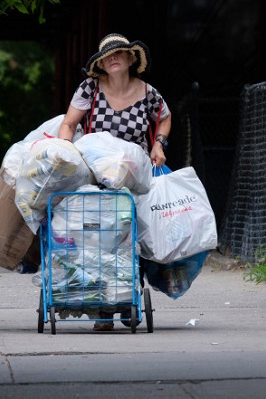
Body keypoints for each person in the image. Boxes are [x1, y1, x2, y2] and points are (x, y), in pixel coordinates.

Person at [58, 33, 172, 331]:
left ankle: (127, 296)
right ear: (101, 64)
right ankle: (105, 307)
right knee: (99, 238)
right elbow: (69, 124)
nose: (114, 58)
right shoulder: (90, 88)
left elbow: (165, 117)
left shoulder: (148, 93)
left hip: (134, 177)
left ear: (132, 58)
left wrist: (159, 144)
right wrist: (64, 154)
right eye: (107, 56)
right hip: (98, 177)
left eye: (120, 53)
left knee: (131, 237)